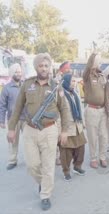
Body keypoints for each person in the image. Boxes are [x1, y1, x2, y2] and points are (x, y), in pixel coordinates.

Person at [7, 53, 69, 211]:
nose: (43, 68)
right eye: (40, 65)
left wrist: (65, 131)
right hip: (30, 129)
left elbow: (64, 109)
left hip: (49, 130)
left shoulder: (56, 85)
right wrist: (12, 128)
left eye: (46, 65)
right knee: (32, 165)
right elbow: (17, 108)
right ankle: (44, 182)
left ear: (50, 68)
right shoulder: (27, 84)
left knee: (48, 165)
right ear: (36, 67)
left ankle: (45, 194)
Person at [82, 53, 108, 168]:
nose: (99, 63)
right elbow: (88, 67)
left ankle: (102, 157)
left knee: (104, 135)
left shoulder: (102, 76)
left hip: (102, 110)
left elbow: (106, 95)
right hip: (91, 109)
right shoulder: (88, 76)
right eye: (98, 61)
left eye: (100, 61)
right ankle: (93, 158)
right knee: (92, 136)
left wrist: (108, 111)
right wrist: (94, 56)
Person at [59, 74, 87, 181]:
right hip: (66, 127)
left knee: (81, 148)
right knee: (66, 151)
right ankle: (66, 171)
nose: (74, 83)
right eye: (72, 81)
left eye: (75, 81)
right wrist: (60, 131)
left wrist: (82, 122)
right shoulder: (60, 94)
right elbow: (58, 113)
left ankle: (77, 167)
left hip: (77, 125)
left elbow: (80, 108)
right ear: (66, 82)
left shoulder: (75, 93)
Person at [0, 63, 25, 170]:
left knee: (30, 140)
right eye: (16, 72)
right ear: (11, 73)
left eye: (19, 72)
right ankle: (12, 160)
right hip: (13, 119)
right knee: (13, 140)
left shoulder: (25, 85)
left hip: (26, 118)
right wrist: (1, 120)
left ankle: (33, 160)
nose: (18, 74)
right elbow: (2, 105)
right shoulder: (6, 88)